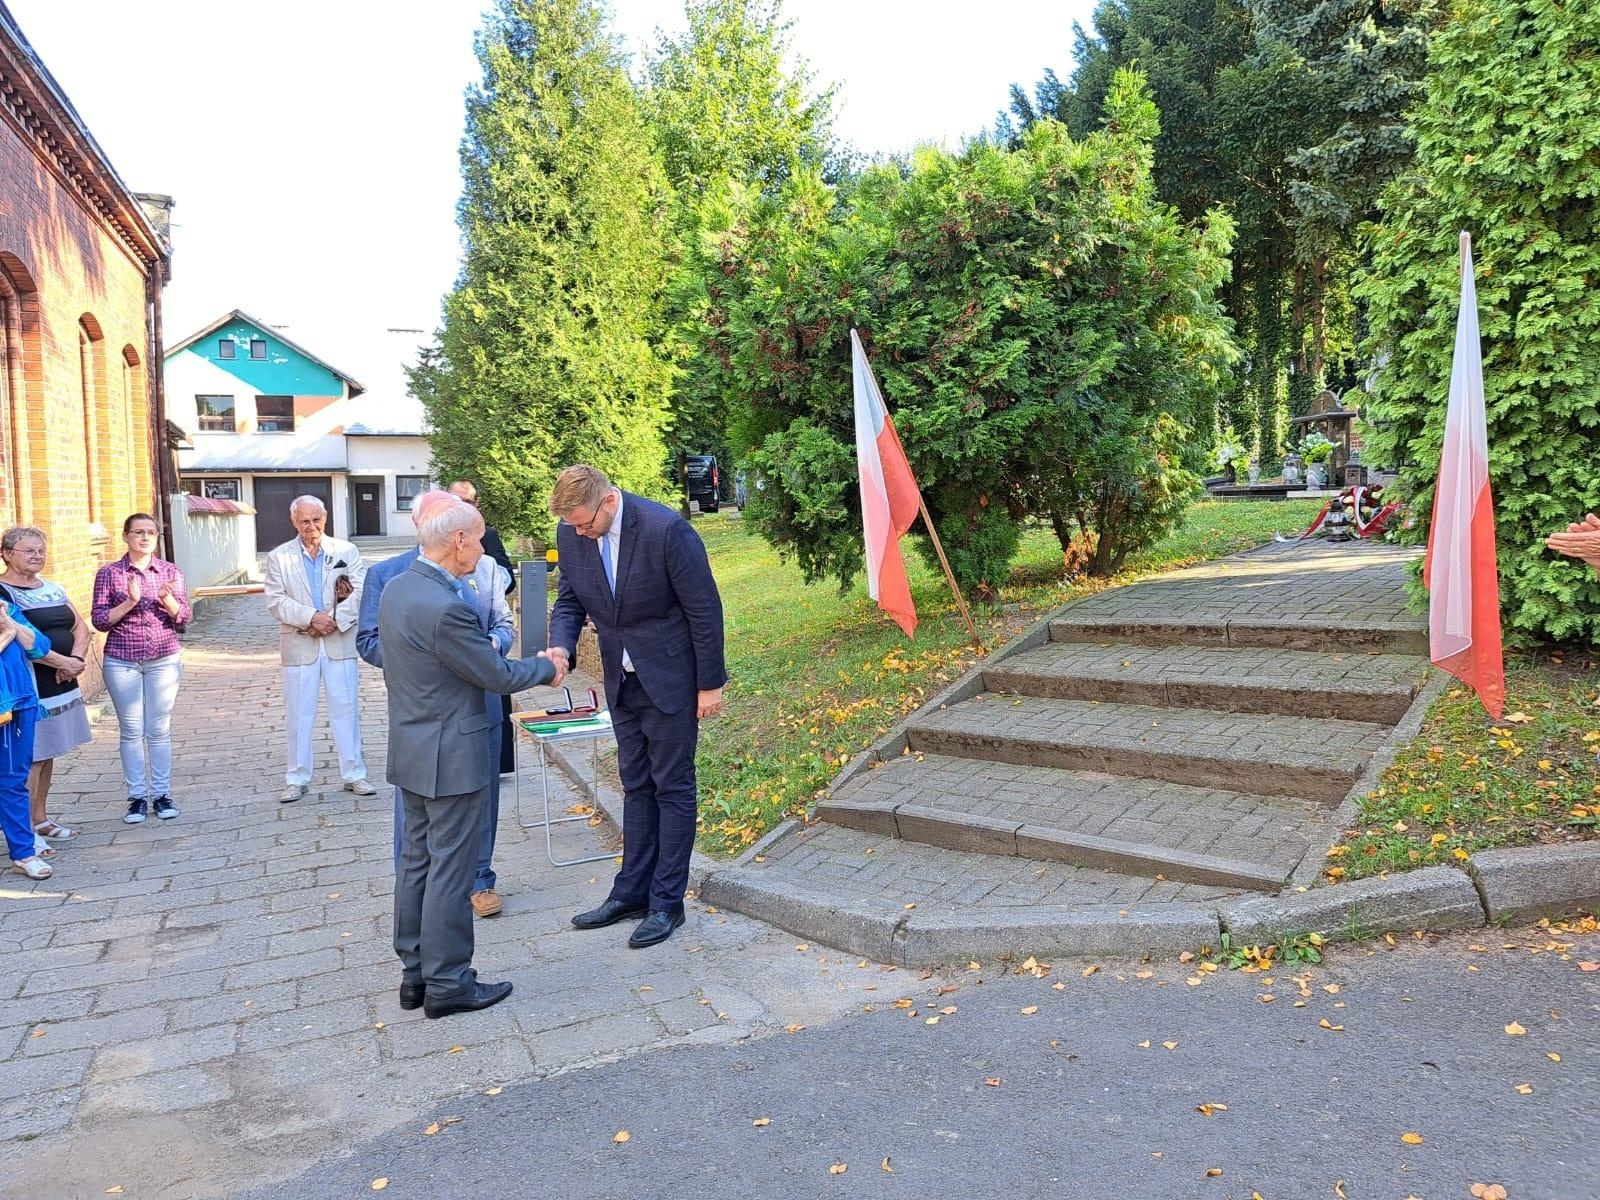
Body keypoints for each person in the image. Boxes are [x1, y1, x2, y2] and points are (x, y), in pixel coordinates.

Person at [378, 491, 558, 1018]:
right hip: (453, 755)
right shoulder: (446, 607)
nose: (483, 549)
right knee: (452, 872)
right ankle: (449, 982)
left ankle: (415, 975)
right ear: (458, 540)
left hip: (412, 748)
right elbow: (496, 674)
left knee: (415, 865)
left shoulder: (398, 589)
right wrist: (546, 668)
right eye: (479, 539)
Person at [547, 464, 727, 949]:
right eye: (573, 527)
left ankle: (667, 902)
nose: (580, 533)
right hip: (620, 683)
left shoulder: (667, 530)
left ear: (609, 501)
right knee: (635, 785)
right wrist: (561, 646)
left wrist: (710, 683)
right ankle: (631, 891)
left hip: (672, 679)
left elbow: (704, 609)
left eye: (585, 523)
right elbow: (569, 600)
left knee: (672, 786)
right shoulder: (573, 533)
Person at [358, 491, 516, 918]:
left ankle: (480, 879)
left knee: (483, 796)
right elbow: (368, 642)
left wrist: (492, 644)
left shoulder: (485, 570)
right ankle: (418, 887)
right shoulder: (388, 576)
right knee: (418, 817)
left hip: (481, 704)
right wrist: (433, 655)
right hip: (425, 712)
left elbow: (503, 623)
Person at [263, 496, 373, 803]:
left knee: (346, 707)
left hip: (338, 639)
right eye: (304, 522)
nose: (311, 527)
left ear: (325, 518)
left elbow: (357, 591)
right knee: (299, 712)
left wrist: (332, 621)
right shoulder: (278, 557)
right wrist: (310, 618)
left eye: (316, 520)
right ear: (294, 522)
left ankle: (355, 774)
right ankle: (296, 778)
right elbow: (275, 600)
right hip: (300, 641)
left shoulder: (345, 550)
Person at [92, 513, 191, 824]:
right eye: (138, 532)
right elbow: (99, 620)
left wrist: (167, 599)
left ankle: (162, 795)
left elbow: (184, 618)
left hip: (163, 658)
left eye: (151, 532)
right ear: (126, 536)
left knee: (159, 729)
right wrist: (131, 602)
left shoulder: (169, 571)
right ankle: (136, 797)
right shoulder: (109, 574)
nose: (145, 538)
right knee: (132, 730)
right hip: (122, 659)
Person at [0, 526, 92, 854]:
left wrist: (76, 659)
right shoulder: (3, 593)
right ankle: (24, 832)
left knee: (49, 751)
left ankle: (40, 817)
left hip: (63, 678)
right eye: (29, 550)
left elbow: (80, 626)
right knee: (31, 757)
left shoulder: (52, 587)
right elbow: (22, 637)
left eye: (41, 550)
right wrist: (62, 663)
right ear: (7, 554)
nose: (38, 555)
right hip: (31, 684)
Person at [448, 479, 518, 777]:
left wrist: (487, 579)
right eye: (455, 501)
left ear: (476, 505)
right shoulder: (440, 537)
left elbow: (507, 576)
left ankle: (498, 764)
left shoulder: (486, 535)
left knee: (494, 700)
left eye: (467, 502)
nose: (461, 507)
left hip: (486, 629)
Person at [1, 599, 51, 879]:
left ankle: (23, 853)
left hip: (19, 703)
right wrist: (5, 638)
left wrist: (11, 625)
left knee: (13, 779)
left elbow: (40, 646)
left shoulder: (6, 608)